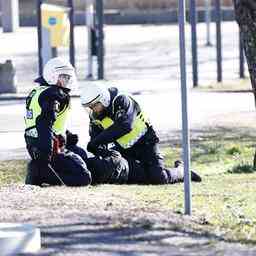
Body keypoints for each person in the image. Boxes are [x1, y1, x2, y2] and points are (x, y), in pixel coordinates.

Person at [80, 83, 201, 185]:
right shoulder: (95, 117)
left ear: (104, 99)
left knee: (159, 178)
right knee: (135, 177)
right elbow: (95, 143)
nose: (93, 109)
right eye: (90, 106)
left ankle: (182, 171)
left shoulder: (121, 99)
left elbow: (125, 125)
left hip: (146, 143)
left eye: (95, 105)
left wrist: (95, 142)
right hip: (125, 149)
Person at [24, 57, 91, 186]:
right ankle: (40, 173)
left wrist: (67, 136)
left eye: (68, 77)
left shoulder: (39, 91)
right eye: (63, 77)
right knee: (84, 177)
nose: (67, 80)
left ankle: (40, 169)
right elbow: (44, 123)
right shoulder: (54, 95)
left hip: (36, 144)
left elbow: (47, 121)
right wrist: (46, 155)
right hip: (48, 149)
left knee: (81, 154)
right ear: (52, 75)